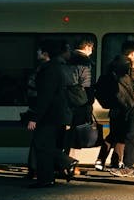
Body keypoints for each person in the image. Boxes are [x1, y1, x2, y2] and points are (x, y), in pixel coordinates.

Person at [24, 42, 72, 188]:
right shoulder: (57, 68)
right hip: (56, 114)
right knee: (46, 145)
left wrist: (34, 117)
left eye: (39, 51)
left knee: (42, 146)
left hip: (48, 116)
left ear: (46, 54)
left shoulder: (48, 70)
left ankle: (61, 165)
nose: (37, 53)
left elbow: (45, 97)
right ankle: (49, 177)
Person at [102, 40, 134, 177]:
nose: (127, 59)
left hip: (132, 108)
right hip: (130, 108)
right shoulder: (126, 73)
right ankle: (124, 164)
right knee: (126, 136)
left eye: (129, 55)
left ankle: (127, 166)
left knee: (128, 136)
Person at [62, 35, 96, 179]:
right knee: (74, 136)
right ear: (88, 47)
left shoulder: (66, 59)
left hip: (64, 102)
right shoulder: (85, 62)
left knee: (65, 135)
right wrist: (89, 102)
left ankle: (64, 163)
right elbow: (86, 84)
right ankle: (69, 164)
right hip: (79, 103)